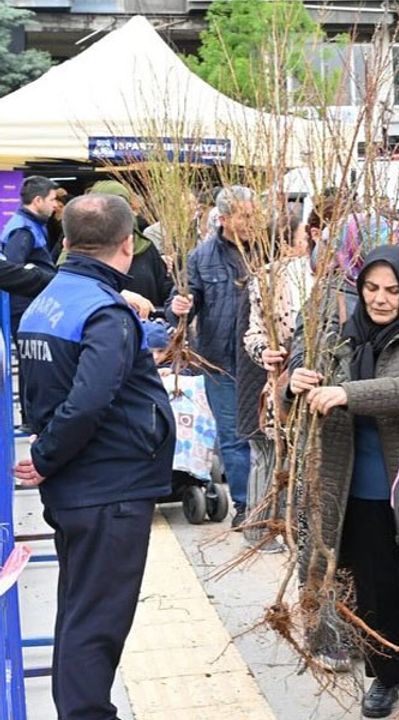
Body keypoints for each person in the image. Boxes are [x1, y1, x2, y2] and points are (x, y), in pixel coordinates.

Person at [14, 193, 175, 719]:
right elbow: (89, 399)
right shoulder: (104, 310)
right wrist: (47, 456)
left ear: (65, 240)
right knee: (99, 620)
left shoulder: (51, 299)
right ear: (127, 244)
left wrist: (48, 455)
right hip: (109, 487)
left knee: (79, 612)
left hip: (80, 489)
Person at [285, 244, 399, 719]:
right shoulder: (341, 340)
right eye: (372, 289)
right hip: (357, 493)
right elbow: (301, 405)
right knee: (372, 593)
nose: (381, 299)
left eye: (393, 290)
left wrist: (346, 393)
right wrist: (294, 385)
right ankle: (384, 678)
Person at [167, 186, 255, 527]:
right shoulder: (202, 257)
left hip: (262, 362)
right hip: (220, 360)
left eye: (254, 215)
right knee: (234, 436)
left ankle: (271, 505)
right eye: (244, 216)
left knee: (267, 435)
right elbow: (185, 299)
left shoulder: (268, 251)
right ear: (224, 218)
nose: (251, 223)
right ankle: (247, 508)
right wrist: (179, 306)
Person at [241, 210, 315, 550]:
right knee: (277, 457)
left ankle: (300, 534)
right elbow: (252, 332)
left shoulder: (323, 274)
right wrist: (264, 352)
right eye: (303, 236)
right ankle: (265, 529)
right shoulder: (266, 279)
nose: (309, 242)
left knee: (306, 463)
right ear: (287, 243)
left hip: (315, 381)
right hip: (283, 382)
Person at [86, 180, 174, 308]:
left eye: (121, 205)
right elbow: (74, 289)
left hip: (146, 324)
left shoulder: (144, 247)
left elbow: (164, 288)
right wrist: (115, 296)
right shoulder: (83, 248)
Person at [2, 175, 59, 333]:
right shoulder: (23, 230)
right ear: (38, 200)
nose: (56, 204)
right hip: (25, 309)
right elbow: (14, 273)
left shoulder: (33, 225)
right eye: (52, 199)